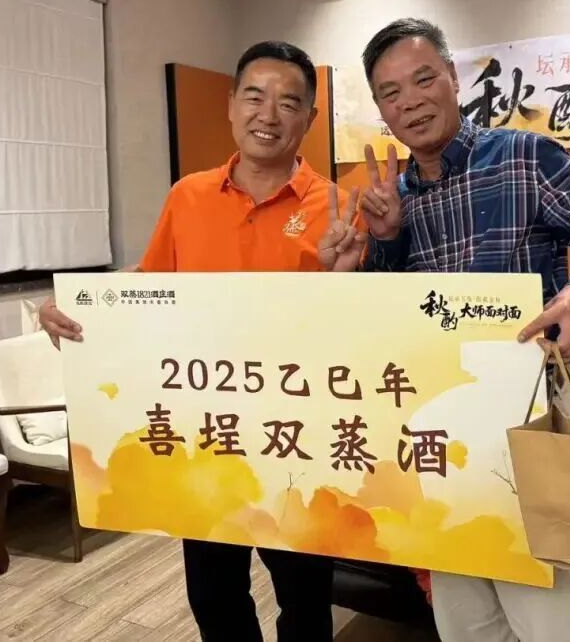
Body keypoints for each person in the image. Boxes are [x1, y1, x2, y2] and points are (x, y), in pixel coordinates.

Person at [320, 18, 570, 642]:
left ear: (453, 77)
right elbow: (392, 319)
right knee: (465, 620)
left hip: (533, 424)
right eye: (390, 93)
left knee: (553, 617)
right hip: (441, 434)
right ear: (381, 110)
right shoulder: (395, 199)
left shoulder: (523, 157)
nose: (410, 101)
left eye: (423, 79)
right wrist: (385, 243)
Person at [40, 40, 362, 642]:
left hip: (299, 438)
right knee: (213, 596)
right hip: (206, 435)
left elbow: (361, 333)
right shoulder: (186, 196)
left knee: (305, 600)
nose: (269, 115)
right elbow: (149, 291)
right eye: (255, 97)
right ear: (231, 105)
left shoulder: (339, 207)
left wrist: (343, 281)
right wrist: (79, 310)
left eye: (289, 102)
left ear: (310, 118)